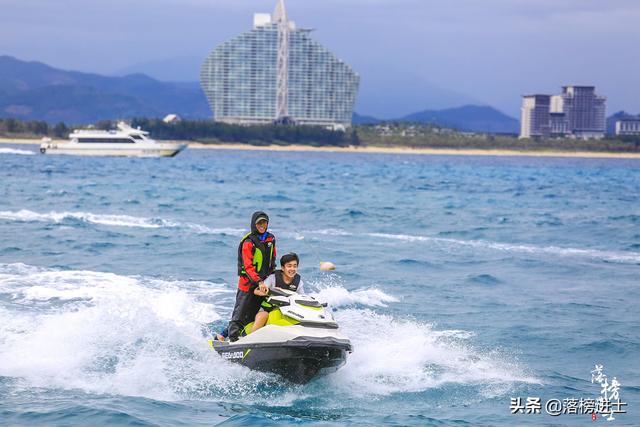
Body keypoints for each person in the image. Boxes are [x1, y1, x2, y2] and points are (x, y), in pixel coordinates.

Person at [225, 211, 277, 342]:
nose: (262, 225)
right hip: (247, 284)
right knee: (240, 315)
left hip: (263, 283)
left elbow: (273, 260)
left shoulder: (271, 239)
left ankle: (247, 335)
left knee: (253, 314)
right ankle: (233, 339)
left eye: (264, 222)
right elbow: (247, 266)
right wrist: (259, 281)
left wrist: (272, 278)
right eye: (259, 222)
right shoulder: (248, 242)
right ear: (254, 224)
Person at [251, 252, 304, 333]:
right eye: (289, 266)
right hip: (267, 309)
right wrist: (270, 291)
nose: (292, 269)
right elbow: (256, 291)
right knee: (263, 316)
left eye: (295, 266)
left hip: (286, 311)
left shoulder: (298, 282)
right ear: (283, 268)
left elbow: (302, 298)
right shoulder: (273, 278)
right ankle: (250, 340)